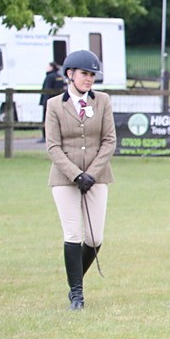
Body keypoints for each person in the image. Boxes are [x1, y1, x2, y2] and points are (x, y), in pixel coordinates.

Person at [44, 50, 116, 310]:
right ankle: (77, 294)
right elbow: (53, 146)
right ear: (70, 74)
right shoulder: (54, 105)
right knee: (73, 233)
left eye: (92, 75)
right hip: (64, 179)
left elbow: (109, 140)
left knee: (94, 238)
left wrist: (91, 174)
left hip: (97, 177)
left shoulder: (103, 101)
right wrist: (75, 174)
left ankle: (75, 281)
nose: (89, 79)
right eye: (84, 73)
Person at [37, 62, 64, 142]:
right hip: (58, 101)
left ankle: (45, 137)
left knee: (46, 119)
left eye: (48, 66)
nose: (46, 68)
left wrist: (44, 102)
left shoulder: (49, 77)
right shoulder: (59, 77)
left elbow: (47, 90)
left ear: (52, 67)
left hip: (49, 101)